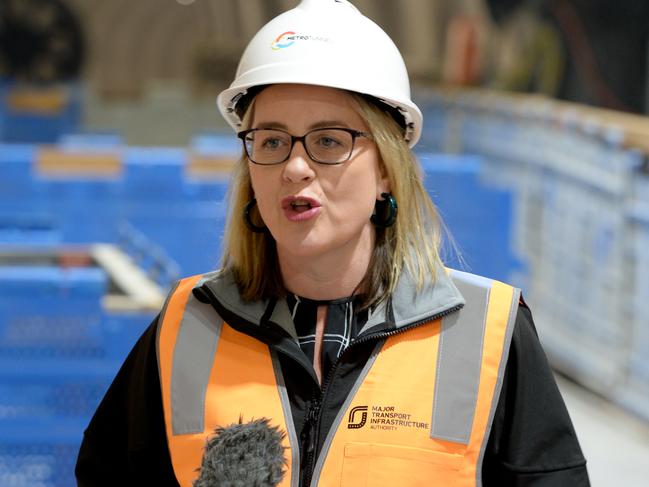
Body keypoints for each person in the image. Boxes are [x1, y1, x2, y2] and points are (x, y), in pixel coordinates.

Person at [75, 1, 589, 485]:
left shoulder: (488, 334)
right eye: (272, 141)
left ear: (387, 169)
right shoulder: (185, 327)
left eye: (329, 141)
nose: (296, 168)